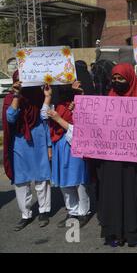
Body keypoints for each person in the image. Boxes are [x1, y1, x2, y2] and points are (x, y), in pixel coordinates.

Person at [95, 63, 137, 247]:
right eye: (114, 78)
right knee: (113, 193)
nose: (116, 82)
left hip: (133, 159)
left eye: (120, 78)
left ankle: (133, 232)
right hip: (112, 160)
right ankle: (114, 232)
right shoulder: (108, 99)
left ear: (129, 79)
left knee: (132, 193)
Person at [2, 71, 52, 230]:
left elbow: (45, 120)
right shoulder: (11, 98)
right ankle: (26, 214)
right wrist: (17, 95)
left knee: (42, 179)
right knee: (21, 181)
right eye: (19, 81)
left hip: (39, 140)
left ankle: (44, 211)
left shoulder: (38, 97)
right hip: (20, 144)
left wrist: (47, 96)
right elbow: (10, 117)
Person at [40, 76, 92, 228]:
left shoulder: (78, 102)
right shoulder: (57, 104)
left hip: (74, 145)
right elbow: (44, 115)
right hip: (59, 146)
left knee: (79, 181)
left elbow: (81, 127)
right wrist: (48, 97)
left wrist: (78, 95)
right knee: (64, 181)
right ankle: (72, 211)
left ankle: (84, 212)